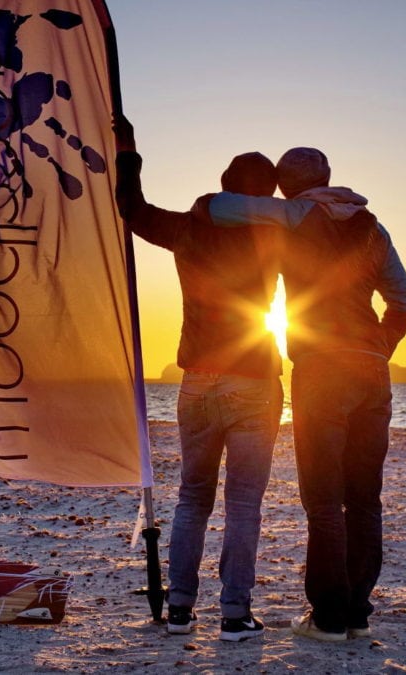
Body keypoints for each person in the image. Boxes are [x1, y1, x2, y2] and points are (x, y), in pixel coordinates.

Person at [203, 147, 406, 641]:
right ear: (329, 175)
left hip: (321, 368)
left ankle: (328, 619)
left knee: (324, 500)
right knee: (365, 498)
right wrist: (376, 349)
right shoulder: (372, 226)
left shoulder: (291, 214)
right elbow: (405, 303)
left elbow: (217, 207)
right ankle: (358, 613)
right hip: (371, 370)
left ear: (284, 185)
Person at [114, 115, 283, 642]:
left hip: (198, 379)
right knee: (243, 501)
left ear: (226, 182)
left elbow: (133, 210)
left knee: (193, 497)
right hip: (254, 377)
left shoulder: (190, 226)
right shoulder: (275, 233)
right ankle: (235, 614)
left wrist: (129, 151)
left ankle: (181, 608)